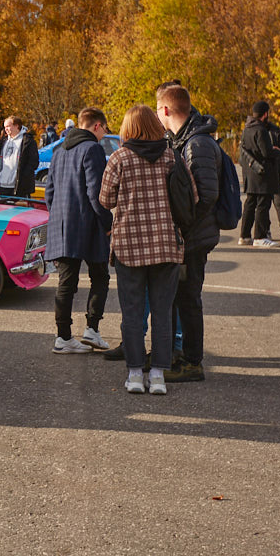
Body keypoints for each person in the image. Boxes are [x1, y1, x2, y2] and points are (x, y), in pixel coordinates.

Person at [100, 105, 191, 396]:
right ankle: (159, 375)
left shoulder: (120, 158)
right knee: (163, 313)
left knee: (132, 312)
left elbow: (105, 199)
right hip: (166, 244)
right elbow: (191, 195)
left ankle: (135, 374)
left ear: (128, 128)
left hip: (129, 245)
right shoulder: (172, 156)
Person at [155, 84, 222, 383]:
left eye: (157, 110)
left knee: (189, 300)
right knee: (178, 298)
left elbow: (206, 196)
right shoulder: (184, 139)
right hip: (188, 235)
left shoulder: (197, 144)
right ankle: (176, 354)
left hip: (193, 238)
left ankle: (193, 362)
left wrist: (182, 226)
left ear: (166, 109)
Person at [45, 108, 113, 355]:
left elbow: (49, 192)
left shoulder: (58, 150)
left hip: (63, 224)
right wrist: (107, 222)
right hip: (89, 224)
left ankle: (63, 336)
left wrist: (57, 216)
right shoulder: (92, 149)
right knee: (100, 277)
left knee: (66, 283)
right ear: (96, 126)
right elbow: (95, 192)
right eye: (104, 129)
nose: (104, 134)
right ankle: (92, 329)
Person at [237, 101, 278, 248]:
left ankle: (244, 236)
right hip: (262, 173)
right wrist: (277, 151)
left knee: (250, 203)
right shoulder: (261, 130)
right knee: (263, 204)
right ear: (265, 114)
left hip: (250, 172)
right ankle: (260, 237)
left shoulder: (247, 129)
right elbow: (266, 152)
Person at [0, 116, 38, 197]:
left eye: (8, 126)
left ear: (17, 126)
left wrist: (24, 177)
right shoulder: (3, 141)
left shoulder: (27, 141)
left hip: (19, 187)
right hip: (3, 185)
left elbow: (33, 162)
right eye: (5, 127)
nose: (6, 129)